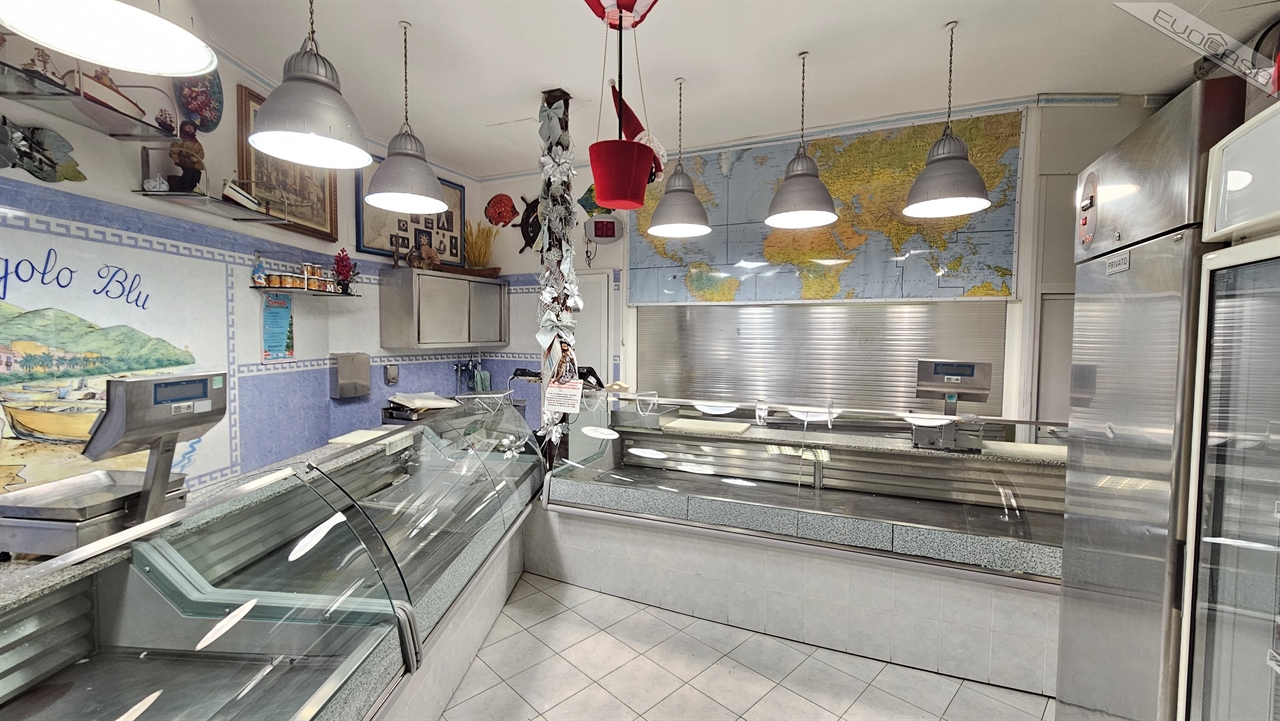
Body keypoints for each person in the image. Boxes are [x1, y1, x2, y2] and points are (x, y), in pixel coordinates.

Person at [168, 121, 204, 192]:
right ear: (183, 128)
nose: (191, 130)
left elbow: (201, 152)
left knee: (195, 175)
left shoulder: (196, 142)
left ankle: (193, 188)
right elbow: (174, 149)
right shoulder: (180, 139)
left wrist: (196, 158)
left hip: (195, 163)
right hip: (185, 161)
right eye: (188, 128)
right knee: (188, 175)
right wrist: (175, 157)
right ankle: (185, 189)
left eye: (192, 128)